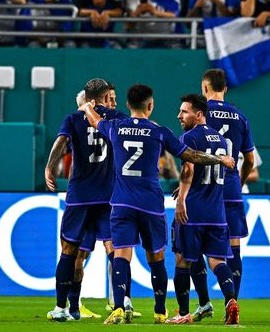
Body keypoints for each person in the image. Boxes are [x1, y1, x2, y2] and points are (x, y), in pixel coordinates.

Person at [80, 84, 235, 324]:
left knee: (121, 255)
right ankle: (160, 312)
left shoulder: (115, 127)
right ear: (150, 105)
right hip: (151, 204)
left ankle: (119, 307)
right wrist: (220, 159)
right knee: (157, 258)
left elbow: (94, 120)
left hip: (121, 203)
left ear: (128, 105)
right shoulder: (159, 132)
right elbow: (191, 157)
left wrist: (88, 106)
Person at [45, 79, 128, 322]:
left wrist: (50, 168)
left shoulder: (73, 118)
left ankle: (63, 308)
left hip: (80, 196)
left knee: (69, 251)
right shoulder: (118, 118)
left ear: (89, 98)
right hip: (108, 196)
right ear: (105, 98)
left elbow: (61, 142)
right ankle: (120, 307)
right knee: (115, 249)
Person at [187, 69, 255, 319]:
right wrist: (238, 178)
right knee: (233, 248)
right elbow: (249, 159)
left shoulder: (199, 114)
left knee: (194, 246)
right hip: (232, 188)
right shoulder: (241, 116)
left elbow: (191, 157)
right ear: (225, 88)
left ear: (204, 89)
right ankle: (232, 304)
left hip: (204, 190)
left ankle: (204, 303)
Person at [167, 93, 239, 325]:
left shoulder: (189, 136)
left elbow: (188, 169)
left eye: (184, 111)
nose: (179, 115)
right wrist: (185, 188)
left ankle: (184, 313)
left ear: (198, 115)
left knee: (182, 261)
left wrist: (182, 199)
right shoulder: (219, 139)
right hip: (217, 213)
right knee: (218, 262)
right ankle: (231, 301)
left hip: (193, 211)